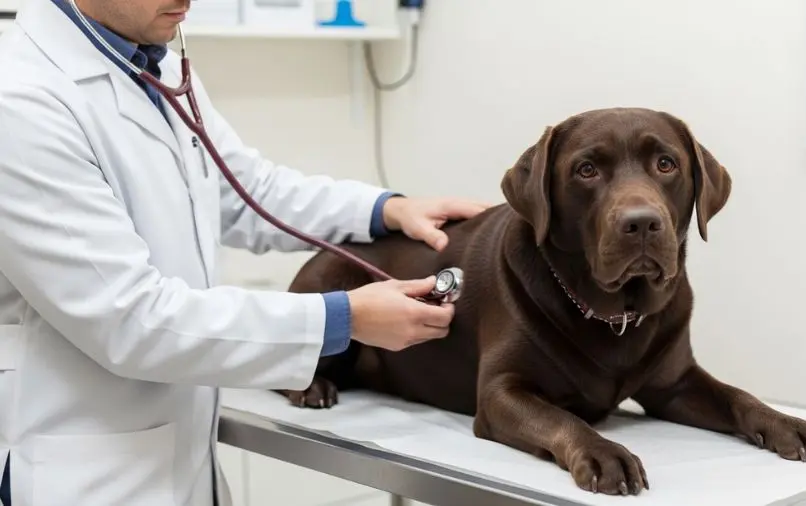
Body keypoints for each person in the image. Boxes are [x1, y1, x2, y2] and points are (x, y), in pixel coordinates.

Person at [0, 0, 488, 504]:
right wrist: (342, 319)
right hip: (88, 476)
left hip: (178, 464)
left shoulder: (152, 63)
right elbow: (131, 319)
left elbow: (244, 190)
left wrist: (386, 210)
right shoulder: (21, 104)